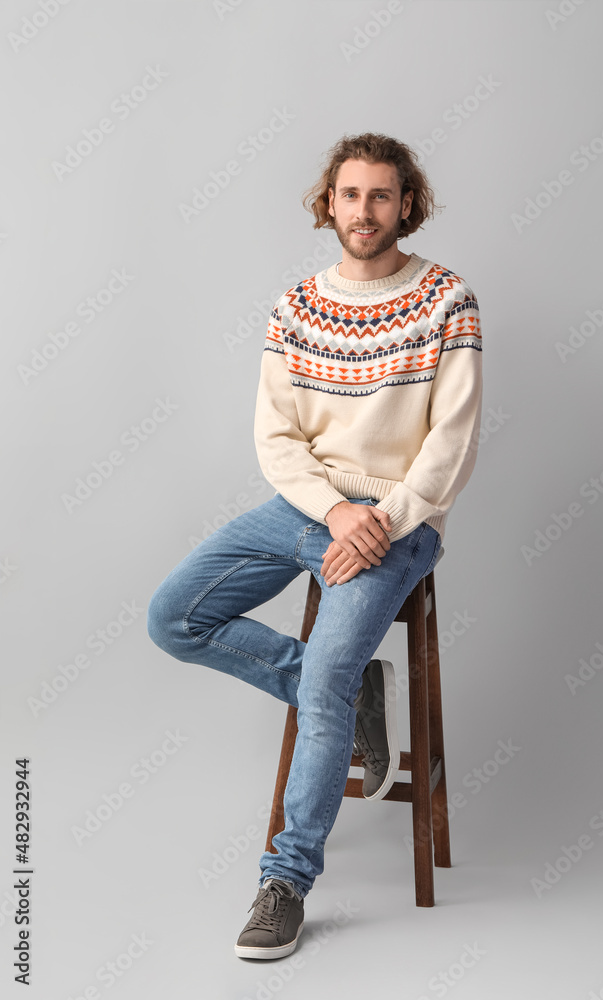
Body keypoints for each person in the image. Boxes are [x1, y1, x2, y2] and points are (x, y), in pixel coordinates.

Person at [146, 131, 483, 961]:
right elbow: (276, 438)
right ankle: (348, 688)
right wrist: (335, 512)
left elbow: (452, 441)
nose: (362, 211)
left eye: (379, 196)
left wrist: (386, 518)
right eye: (348, 195)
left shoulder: (447, 299)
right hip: (309, 508)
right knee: (173, 618)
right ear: (326, 203)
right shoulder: (296, 305)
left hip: (401, 519)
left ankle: (284, 882)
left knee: (323, 676)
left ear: (406, 203)